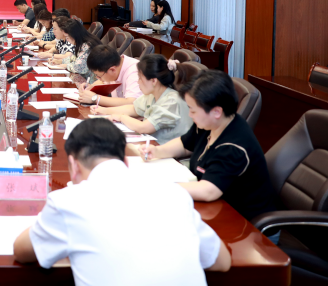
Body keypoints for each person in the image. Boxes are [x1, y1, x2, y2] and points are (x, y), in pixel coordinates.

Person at [13, 118, 231, 285]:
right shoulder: (175, 193)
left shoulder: (67, 202)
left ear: (74, 165)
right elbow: (221, 262)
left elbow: (21, 251)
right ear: (126, 161)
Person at [139, 70, 278, 222]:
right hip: (216, 208)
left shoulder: (234, 146)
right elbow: (185, 144)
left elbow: (208, 191)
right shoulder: (209, 123)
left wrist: (161, 187)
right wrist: (157, 151)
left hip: (245, 223)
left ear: (217, 111)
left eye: (192, 110)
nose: (190, 115)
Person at [91, 54, 193, 145]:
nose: (138, 82)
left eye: (140, 78)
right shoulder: (152, 94)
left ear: (153, 81)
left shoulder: (172, 101)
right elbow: (133, 108)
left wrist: (121, 117)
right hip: (153, 145)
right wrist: (104, 110)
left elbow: (143, 127)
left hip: (170, 154)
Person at [59, 19, 101, 85]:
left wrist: (66, 65)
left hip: (94, 83)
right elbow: (75, 58)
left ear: (74, 35)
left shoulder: (87, 45)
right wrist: (61, 61)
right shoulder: (82, 42)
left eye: (67, 37)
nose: (67, 40)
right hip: (87, 80)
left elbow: (79, 67)